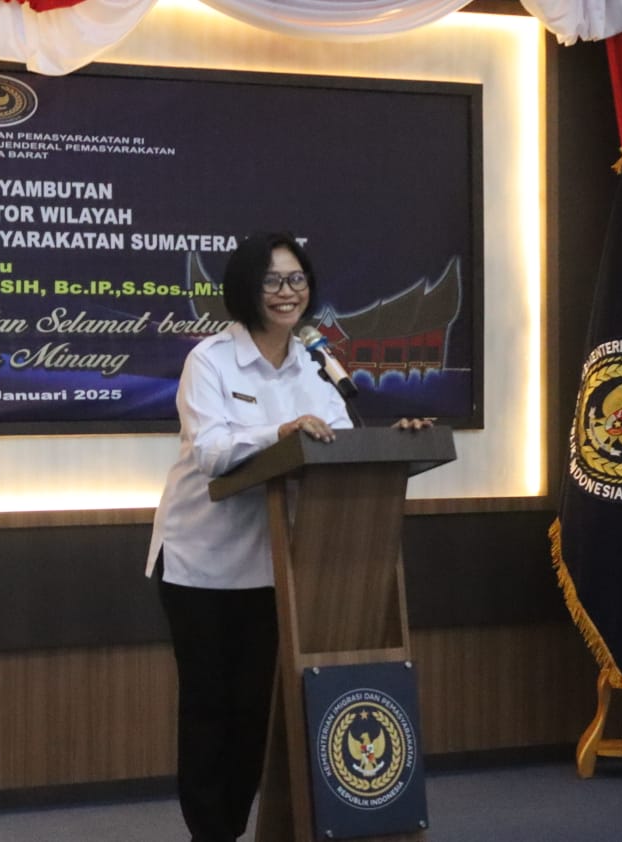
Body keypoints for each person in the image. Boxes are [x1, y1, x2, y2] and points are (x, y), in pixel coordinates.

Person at [145, 231, 429, 842]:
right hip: (202, 563)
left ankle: (235, 825)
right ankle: (209, 834)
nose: (286, 292)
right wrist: (281, 433)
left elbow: (344, 446)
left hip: (280, 564)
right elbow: (212, 453)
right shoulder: (211, 361)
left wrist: (399, 437)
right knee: (210, 705)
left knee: (257, 709)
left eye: (296, 279)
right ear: (247, 288)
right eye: (272, 280)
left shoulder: (316, 365)